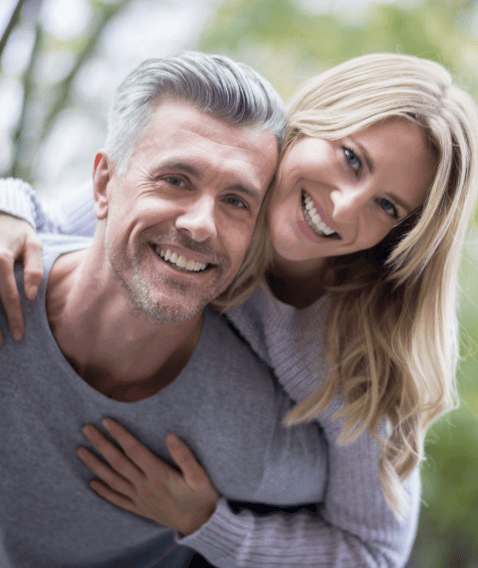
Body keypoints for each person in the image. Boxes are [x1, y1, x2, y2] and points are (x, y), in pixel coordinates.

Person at [0, 53, 478, 567]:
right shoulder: (230, 168)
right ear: (310, 125)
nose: (343, 208)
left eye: (387, 206)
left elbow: (375, 551)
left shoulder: (357, 357)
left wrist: (208, 523)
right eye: (351, 159)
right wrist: (10, 208)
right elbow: (94, 212)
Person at [0, 52, 333, 568]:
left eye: (236, 201)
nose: (201, 224)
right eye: (176, 179)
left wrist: (211, 526)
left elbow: (368, 542)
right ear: (104, 184)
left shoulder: (245, 429)